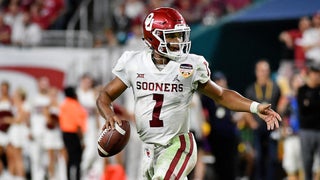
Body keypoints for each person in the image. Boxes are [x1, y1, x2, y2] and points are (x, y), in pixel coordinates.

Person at [96, 7, 282, 180]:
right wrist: (109, 115)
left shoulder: (189, 65)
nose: (178, 41)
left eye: (180, 35)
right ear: (153, 37)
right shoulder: (134, 63)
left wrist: (255, 107)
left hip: (178, 145)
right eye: (172, 36)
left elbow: (221, 95)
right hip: (149, 149)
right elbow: (104, 96)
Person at [245, 59, 282, 180]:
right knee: (258, 157)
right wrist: (252, 123)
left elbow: (280, 103)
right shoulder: (251, 89)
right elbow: (245, 108)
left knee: (272, 158)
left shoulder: (275, 87)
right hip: (258, 127)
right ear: (256, 72)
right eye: (261, 70)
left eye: (266, 70)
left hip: (272, 127)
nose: (264, 73)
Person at [200, 71, 240, 180]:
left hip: (230, 136)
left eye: (221, 80)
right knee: (219, 164)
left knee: (231, 163)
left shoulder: (231, 94)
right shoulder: (208, 97)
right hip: (216, 136)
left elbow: (242, 108)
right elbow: (202, 111)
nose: (219, 83)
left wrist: (237, 116)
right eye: (216, 81)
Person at [297, 59, 320, 180]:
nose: (317, 76)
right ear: (309, 74)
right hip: (306, 131)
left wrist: (310, 104)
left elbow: (309, 107)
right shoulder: (302, 90)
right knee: (307, 162)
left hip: (319, 130)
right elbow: (303, 109)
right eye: (314, 72)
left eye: (318, 73)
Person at [59, 86, 87, 180]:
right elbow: (78, 124)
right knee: (77, 159)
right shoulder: (75, 105)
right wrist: (82, 140)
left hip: (65, 133)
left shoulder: (64, 104)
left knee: (69, 158)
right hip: (74, 134)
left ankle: (68, 177)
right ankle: (77, 177)